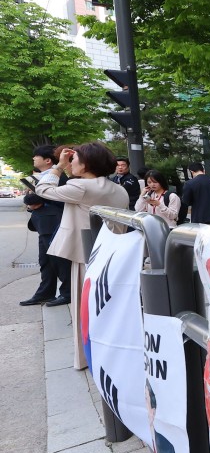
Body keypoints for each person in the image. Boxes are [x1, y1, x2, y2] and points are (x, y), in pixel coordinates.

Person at [35, 141, 128, 369]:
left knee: (85, 310)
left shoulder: (82, 188)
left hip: (86, 255)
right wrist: (68, 166)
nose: (69, 163)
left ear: (85, 164)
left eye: (74, 160)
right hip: (113, 255)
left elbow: (42, 189)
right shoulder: (117, 188)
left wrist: (57, 166)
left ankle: (86, 358)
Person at [20, 192, 73, 307]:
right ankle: (45, 293)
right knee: (46, 264)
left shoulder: (52, 209)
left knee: (61, 264)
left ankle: (67, 294)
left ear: (32, 205)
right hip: (45, 235)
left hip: (54, 235)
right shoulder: (43, 208)